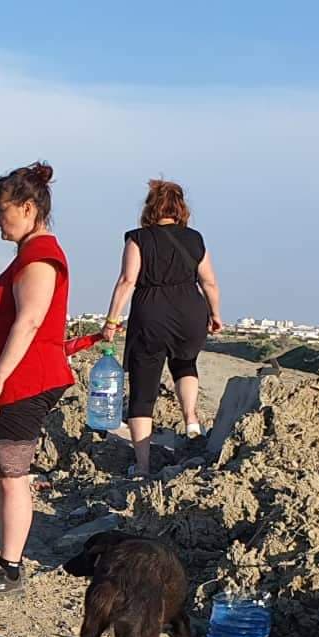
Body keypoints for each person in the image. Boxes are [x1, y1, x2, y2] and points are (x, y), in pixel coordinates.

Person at [0, 161, 73, 596]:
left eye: (1, 208)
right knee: (7, 474)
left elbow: (29, 322)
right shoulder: (30, 254)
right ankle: (6, 562)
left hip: (24, 383)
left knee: (12, 475)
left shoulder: (40, 257)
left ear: (27, 208)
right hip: (18, 383)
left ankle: (9, 568)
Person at [102, 179, 222, 476]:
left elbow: (127, 281)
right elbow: (209, 282)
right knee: (185, 362)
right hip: (190, 311)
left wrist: (112, 320)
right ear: (181, 208)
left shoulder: (138, 239)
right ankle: (191, 420)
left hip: (151, 313)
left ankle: (142, 466)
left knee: (143, 390)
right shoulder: (195, 239)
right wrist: (215, 313)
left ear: (150, 208)